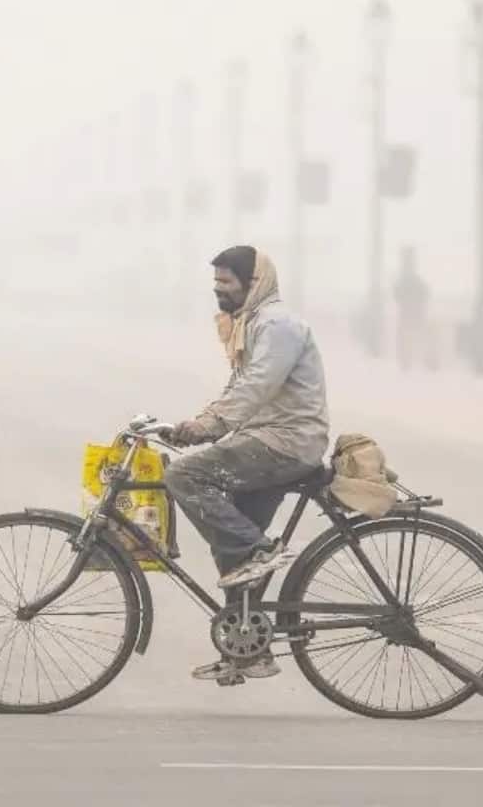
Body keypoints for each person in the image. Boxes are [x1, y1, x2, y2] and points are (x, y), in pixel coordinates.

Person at [164, 245, 329, 683]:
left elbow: (257, 387)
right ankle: (248, 650)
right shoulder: (250, 325)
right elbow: (237, 388)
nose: (218, 291)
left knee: (184, 474)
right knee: (231, 546)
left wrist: (209, 426)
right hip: (264, 440)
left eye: (226, 283)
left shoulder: (277, 325)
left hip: (287, 444)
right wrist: (199, 424)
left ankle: (258, 551)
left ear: (252, 284)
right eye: (216, 282)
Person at [392, 245, 431, 371]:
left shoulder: (407, 278)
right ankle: (414, 361)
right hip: (412, 312)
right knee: (411, 336)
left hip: (410, 312)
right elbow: (424, 292)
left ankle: (410, 361)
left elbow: (397, 294)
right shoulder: (410, 279)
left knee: (408, 336)